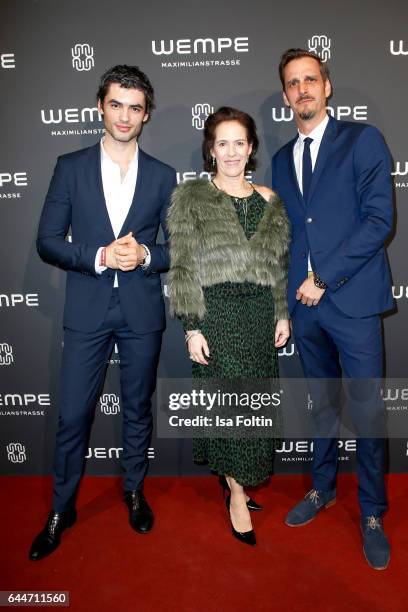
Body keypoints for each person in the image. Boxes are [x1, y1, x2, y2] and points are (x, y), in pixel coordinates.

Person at [29, 65, 177, 560]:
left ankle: (134, 490)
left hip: (140, 313)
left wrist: (147, 256)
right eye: (116, 104)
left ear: (146, 114)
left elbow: (177, 248)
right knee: (72, 414)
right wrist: (98, 255)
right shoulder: (70, 166)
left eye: (135, 107)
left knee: (137, 410)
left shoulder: (162, 175)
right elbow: (48, 241)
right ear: (101, 106)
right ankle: (62, 507)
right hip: (87, 310)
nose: (125, 116)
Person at [272, 48, 394, 570]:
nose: (302, 89)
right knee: (320, 406)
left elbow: (378, 220)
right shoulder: (279, 159)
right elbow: (283, 238)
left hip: (352, 301)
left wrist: (324, 278)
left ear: (327, 87)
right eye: (293, 83)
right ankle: (323, 489)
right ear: (285, 96)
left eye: (310, 80)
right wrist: (287, 301)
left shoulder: (363, 141)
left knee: (366, 410)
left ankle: (371, 512)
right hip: (306, 311)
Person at [168, 107, 291, 546]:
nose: (233, 152)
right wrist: (191, 327)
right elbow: (182, 266)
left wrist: (281, 313)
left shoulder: (270, 201)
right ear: (211, 150)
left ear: (252, 147)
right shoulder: (191, 199)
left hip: (259, 318)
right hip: (217, 316)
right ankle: (237, 494)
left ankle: (234, 477)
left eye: (240, 142)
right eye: (223, 143)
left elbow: (278, 267)